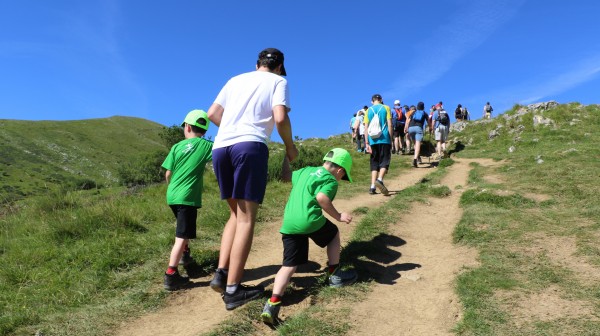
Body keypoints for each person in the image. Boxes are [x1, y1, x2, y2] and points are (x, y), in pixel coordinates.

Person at [207, 48, 299, 310]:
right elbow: (280, 116)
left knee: (235, 214)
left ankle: (221, 273)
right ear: (280, 67)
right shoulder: (279, 81)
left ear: (256, 64)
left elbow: (212, 113)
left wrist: (233, 128)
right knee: (247, 218)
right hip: (250, 147)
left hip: (221, 147)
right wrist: (290, 147)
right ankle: (234, 291)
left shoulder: (235, 80)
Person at [260, 148, 358, 325]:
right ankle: (334, 274)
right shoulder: (330, 180)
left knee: (289, 265)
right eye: (342, 176)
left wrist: (286, 156)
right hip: (310, 221)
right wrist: (338, 216)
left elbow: (285, 176)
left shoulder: (305, 171)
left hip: (289, 223)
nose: (340, 180)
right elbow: (322, 198)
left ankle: (272, 303)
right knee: (333, 234)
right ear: (340, 170)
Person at [161, 109, 213, 291]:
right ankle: (171, 274)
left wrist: (172, 187)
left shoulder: (176, 147)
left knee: (183, 228)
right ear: (204, 131)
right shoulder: (206, 146)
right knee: (182, 236)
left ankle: (186, 256)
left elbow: (168, 173)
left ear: (188, 127)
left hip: (172, 195)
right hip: (187, 197)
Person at [364, 94, 392, 195]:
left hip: (372, 140)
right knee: (385, 160)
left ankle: (372, 187)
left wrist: (366, 142)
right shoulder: (386, 108)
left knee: (374, 162)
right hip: (384, 138)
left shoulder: (368, 111)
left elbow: (366, 127)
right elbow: (389, 124)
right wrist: (390, 137)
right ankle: (379, 180)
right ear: (381, 100)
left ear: (372, 101)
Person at [405, 101, 431, 168]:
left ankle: (418, 157)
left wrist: (406, 128)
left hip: (410, 128)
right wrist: (431, 128)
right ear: (423, 107)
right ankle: (415, 159)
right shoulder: (424, 113)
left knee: (415, 144)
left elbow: (408, 120)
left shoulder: (413, 112)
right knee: (418, 144)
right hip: (418, 128)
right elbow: (428, 122)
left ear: (417, 107)